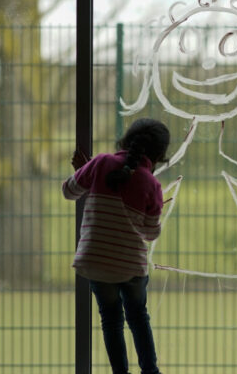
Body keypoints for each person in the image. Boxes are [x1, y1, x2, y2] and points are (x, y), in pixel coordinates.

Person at [62, 118, 171, 374]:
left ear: (124, 141)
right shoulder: (151, 184)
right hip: (129, 266)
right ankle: (150, 371)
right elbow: (150, 232)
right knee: (138, 318)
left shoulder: (100, 163)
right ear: (158, 157)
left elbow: (68, 191)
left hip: (95, 262)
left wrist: (87, 171)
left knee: (111, 321)